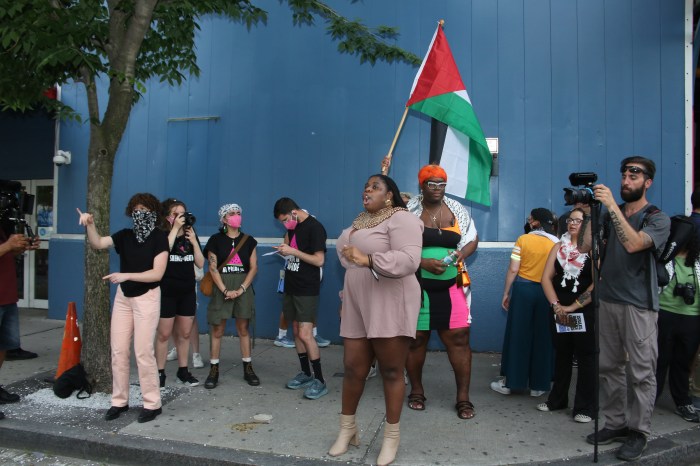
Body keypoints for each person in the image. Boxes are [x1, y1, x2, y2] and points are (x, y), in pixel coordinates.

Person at [579, 156, 670, 461]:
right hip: (609, 299)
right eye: (624, 174)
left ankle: (639, 431)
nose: (626, 180)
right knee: (609, 367)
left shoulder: (656, 218)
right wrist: (592, 212)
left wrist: (613, 208)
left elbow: (633, 244)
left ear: (648, 182)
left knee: (641, 371)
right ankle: (616, 423)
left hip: (639, 305)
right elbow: (583, 247)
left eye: (635, 175)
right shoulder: (608, 214)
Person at [329, 174, 422, 466]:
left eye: (375, 187)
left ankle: (391, 438)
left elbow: (409, 261)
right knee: (353, 368)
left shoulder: (401, 219)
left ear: (390, 195)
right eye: (366, 186)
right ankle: (348, 430)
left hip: (389, 298)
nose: (367, 190)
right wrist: (350, 287)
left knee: (391, 370)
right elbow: (346, 257)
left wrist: (368, 260)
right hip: (358, 299)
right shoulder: (359, 222)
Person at [77, 193, 168, 423]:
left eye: (145, 210)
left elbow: (157, 273)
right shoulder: (125, 236)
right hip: (124, 298)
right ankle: (119, 401)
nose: (140, 214)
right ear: (130, 212)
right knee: (118, 351)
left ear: (154, 212)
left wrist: (125, 275)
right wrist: (90, 224)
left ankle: (152, 403)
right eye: (136, 210)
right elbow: (98, 242)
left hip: (147, 297)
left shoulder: (160, 238)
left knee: (143, 352)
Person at [404, 164, 478, 420]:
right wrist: (422, 263)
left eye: (441, 184)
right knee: (416, 340)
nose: (437, 189)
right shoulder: (409, 210)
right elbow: (397, 246)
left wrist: (461, 254)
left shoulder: (456, 209)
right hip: (416, 286)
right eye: (431, 184)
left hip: (452, 286)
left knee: (459, 338)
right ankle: (416, 391)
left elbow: (471, 239)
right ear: (421, 185)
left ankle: (463, 398)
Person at [492, 207, 558, 396]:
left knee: (518, 336)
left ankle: (511, 382)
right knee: (543, 337)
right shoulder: (557, 242)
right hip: (547, 292)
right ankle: (539, 386)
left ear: (536, 222)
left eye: (531, 219)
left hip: (523, 290)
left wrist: (506, 293)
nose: (529, 221)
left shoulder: (523, 240)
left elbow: (514, 269)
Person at [538, 207, 596, 423]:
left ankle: (585, 407)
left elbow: (598, 281)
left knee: (586, 358)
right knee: (562, 355)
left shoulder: (593, 249)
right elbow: (546, 278)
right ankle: (557, 399)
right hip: (559, 309)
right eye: (570, 220)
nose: (572, 224)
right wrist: (556, 305)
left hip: (584, 310)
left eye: (579, 221)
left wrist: (573, 307)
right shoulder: (557, 246)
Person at [273, 197, 328, 399]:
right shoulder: (292, 228)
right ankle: (306, 373)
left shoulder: (315, 228)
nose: (284, 224)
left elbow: (319, 260)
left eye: (285, 219)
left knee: (306, 334)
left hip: (306, 287)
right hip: (291, 285)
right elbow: (288, 247)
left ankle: (320, 380)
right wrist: (283, 250)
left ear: (294, 212)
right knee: (296, 330)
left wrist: (293, 251)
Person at [203, 203, 259, 388]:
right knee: (218, 329)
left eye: (238, 213)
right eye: (232, 214)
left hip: (243, 288)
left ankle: (248, 367)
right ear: (224, 219)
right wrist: (225, 290)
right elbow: (212, 267)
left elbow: (253, 267)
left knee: (243, 328)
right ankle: (214, 369)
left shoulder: (249, 240)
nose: (236, 216)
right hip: (222, 288)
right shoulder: (215, 240)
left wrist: (242, 289)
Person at [155, 199, 205, 388]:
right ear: (168, 216)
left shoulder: (190, 234)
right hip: (166, 290)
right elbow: (162, 253)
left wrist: (193, 241)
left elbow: (200, 263)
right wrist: (175, 230)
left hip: (187, 290)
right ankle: (159, 373)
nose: (181, 217)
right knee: (164, 334)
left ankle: (183, 371)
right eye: (176, 214)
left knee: (184, 333)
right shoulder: (162, 234)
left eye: (183, 213)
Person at [655, 224, 700, 423]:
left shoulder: (697, 261)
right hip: (665, 314)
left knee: (682, 362)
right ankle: (649, 399)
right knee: (659, 360)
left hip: (691, 317)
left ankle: (682, 401)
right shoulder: (664, 259)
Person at [0, 225, 39, 420]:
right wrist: (7, 245)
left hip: (6, 295)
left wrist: (21, 246)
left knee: (3, 346)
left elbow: (6, 251)